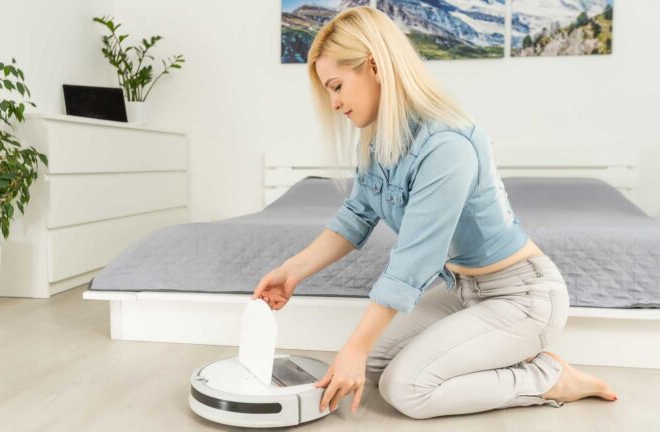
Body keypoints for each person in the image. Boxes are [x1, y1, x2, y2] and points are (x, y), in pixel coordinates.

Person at [251, 6, 617, 420]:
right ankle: (493, 354)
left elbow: (415, 258)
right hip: (463, 291)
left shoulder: (447, 142)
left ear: (374, 65)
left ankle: (547, 377)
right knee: (373, 364)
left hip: (522, 297)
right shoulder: (376, 140)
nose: (334, 103)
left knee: (405, 390)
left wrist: (354, 344)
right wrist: (292, 270)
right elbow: (356, 215)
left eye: (336, 86)